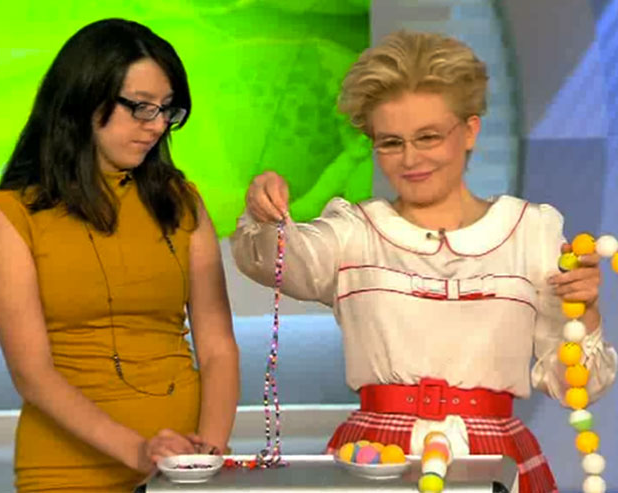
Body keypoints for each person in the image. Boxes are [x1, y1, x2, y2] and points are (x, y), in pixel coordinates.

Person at [230, 31, 617, 492]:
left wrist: (586, 312)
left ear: (470, 130)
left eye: (428, 137)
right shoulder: (354, 232)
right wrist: (263, 211)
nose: (410, 159)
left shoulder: (531, 232)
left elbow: (578, 386)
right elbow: (272, 258)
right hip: (376, 457)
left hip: (495, 457)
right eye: (391, 142)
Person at [0, 19, 239, 493]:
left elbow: (218, 347)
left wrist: (208, 454)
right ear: (83, 99)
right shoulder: (10, 215)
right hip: (67, 474)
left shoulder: (181, 202)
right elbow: (33, 375)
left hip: (184, 473)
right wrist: (139, 451)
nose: (157, 125)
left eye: (166, 110)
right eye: (140, 107)